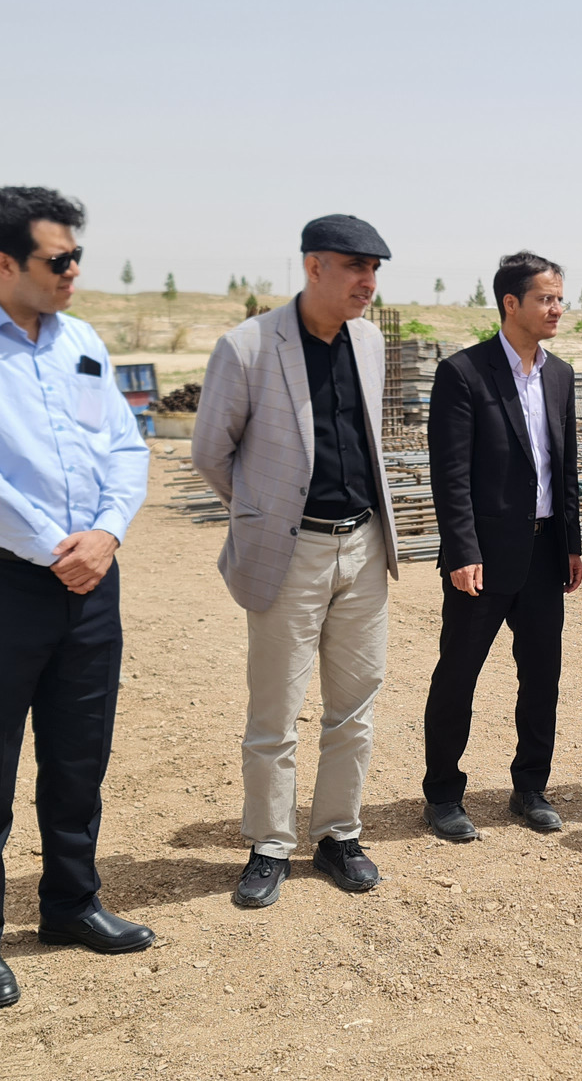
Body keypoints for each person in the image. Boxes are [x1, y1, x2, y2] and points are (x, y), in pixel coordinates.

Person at [0, 186, 154, 1009]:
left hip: (92, 573)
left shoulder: (80, 339)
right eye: (60, 258)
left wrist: (106, 533)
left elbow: (124, 445)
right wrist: (55, 547)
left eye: (77, 255)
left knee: (80, 751)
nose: (75, 270)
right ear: (4, 262)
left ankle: (71, 904)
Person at [191, 215, 401, 906]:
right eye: (356, 268)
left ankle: (339, 834)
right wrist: (264, 514)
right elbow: (211, 453)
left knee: (355, 704)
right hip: (291, 550)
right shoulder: (249, 346)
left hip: (363, 545)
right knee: (276, 710)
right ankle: (270, 844)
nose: (368, 283)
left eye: (375, 270)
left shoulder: (369, 341)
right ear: (314, 267)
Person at [419, 251, 582, 840]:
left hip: (544, 555)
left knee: (542, 678)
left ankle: (530, 788)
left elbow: (564, 467)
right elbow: (451, 475)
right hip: (483, 560)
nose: (557, 308)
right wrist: (463, 551)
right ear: (511, 303)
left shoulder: (560, 375)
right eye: (545, 298)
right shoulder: (463, 373)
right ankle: (443, 794)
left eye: (560, 298)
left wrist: (571, 543)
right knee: (458, 675)